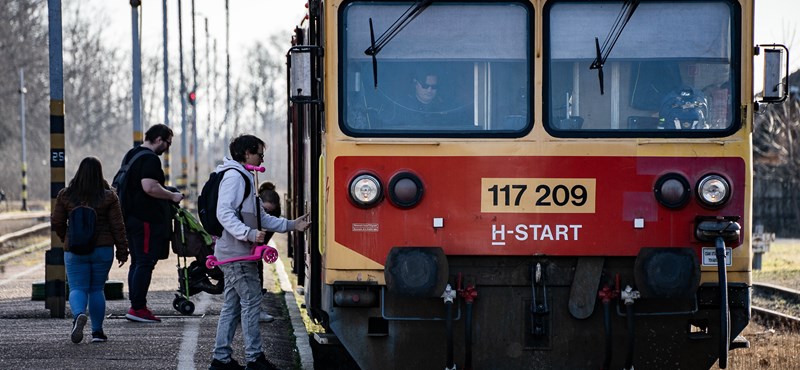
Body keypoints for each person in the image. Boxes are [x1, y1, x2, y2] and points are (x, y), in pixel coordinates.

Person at [209, 134, 311, 370]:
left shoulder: (244, 176)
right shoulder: (235, 177)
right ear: (247, 153)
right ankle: (254, 359)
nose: (261, 157)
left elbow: (260, 217)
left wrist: (291, 224)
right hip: (237, 254)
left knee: (232, 307)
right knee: (252, 302)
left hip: (236, 252)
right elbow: (224, 213)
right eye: (259, 153)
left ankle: (221, 359)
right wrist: (248, 234)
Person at [51, 157, 129, 344]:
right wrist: (122, 250)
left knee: (78, 287)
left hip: (75, 250)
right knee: (96, 289)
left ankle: (79, 315)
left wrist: (65, 238)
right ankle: (97, 332)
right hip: (102, 250)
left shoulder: (65, 195)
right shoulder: (109, 196)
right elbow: (118, 226)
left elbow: (57, 222)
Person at [119, 124, 184, 323]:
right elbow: (149, 187)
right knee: (145, 262)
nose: (167, 148)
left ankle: (136, 305)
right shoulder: (150, 159)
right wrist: (171, 195)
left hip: (130, 218)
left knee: (138, 262)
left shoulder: (132, 154)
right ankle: (138, 308)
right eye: (167, 143)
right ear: (158, 139)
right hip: (145, 219)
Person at [256, 182, 282, 323]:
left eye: (270, 213)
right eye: (265, 211)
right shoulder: (252, 209)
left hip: (256, 250)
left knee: (257, 275)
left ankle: (256, 309)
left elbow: (265, 239)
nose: (267, 216)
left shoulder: (274, 215)